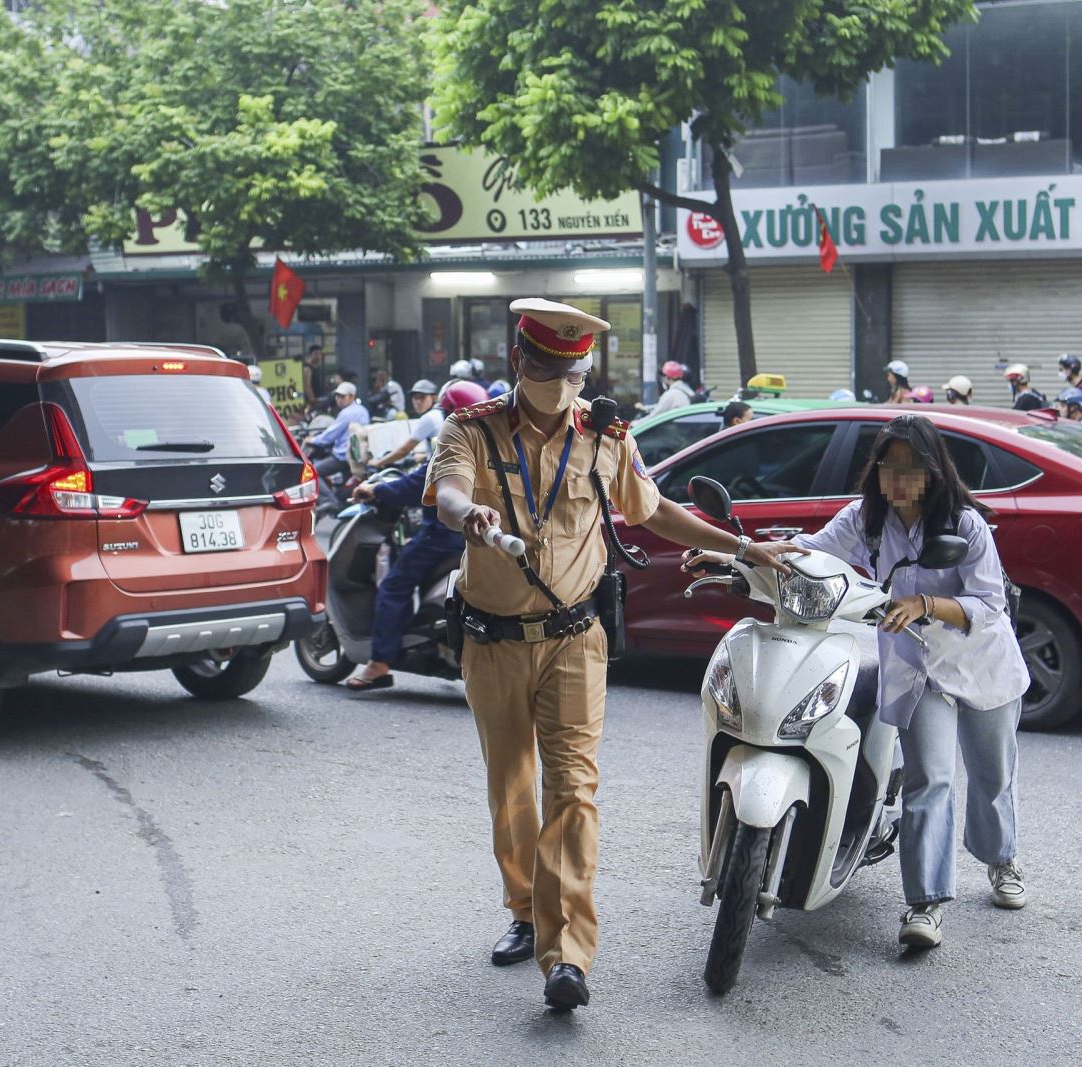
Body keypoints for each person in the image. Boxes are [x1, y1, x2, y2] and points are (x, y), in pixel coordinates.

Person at [425, 297, 797, 1011]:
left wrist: (743, 545)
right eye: (549, 367)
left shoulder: (607, 436)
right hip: (492, 641)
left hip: (573, 639)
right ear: (519, 363)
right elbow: (446, 490)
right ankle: (524, 907)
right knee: (511, 788)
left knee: (573, 791)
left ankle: (567, 954)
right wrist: (466, 510)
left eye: (574, 370)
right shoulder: (470, 430)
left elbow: (652, 510)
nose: (563, 381)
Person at [685, 414, 1030, 949]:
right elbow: (808, 552)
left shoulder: (965, 526)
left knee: (990, 778)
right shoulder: (864, 518)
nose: (898, 480)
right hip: (917, 668)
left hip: (981, 663)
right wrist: (738, 555)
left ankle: (1001, 859)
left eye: (911, 469)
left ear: (934, 472)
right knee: (929, 780)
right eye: (890, 466)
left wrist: (925, 604)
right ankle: (926, 904)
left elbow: (988, 605)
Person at [342, 462, 466, 691]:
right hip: (481, 534)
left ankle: (379, 662)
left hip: (445, 535)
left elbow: (416, 485)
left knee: (394, 586)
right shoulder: (498, 438)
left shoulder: (458, 439)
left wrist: (376, 490)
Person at [306, 382, 371, 513]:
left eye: (342, 396)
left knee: (312, 473)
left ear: (351, 397)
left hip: (343, 457)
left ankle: (329, 501)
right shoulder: (363, 410)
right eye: (337, 396)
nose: (338, 399)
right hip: (358, 455)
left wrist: (312, 439)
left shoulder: (346, 413)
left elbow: (329, 436)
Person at [373, 379, 457, 470]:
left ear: (434, 398)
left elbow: (404, 450)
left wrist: (378, 463)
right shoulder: (440, 413)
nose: (418, 402)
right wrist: (424, 456)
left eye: (422, 397)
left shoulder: (429, 417)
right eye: (415, 397)